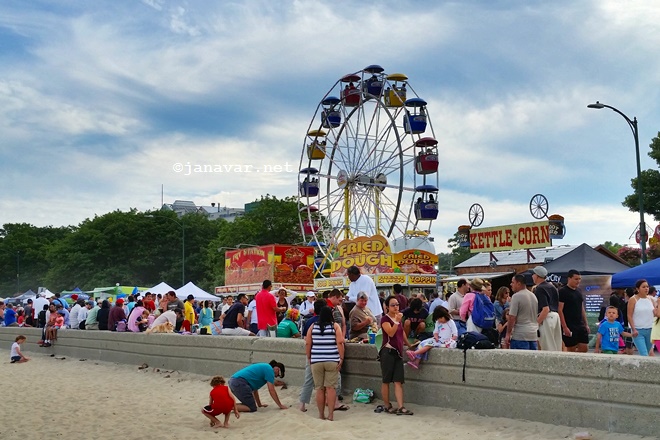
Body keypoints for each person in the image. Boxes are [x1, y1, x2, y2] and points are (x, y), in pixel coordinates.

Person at [305, 306, 344, 421]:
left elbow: (308, 343)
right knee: (331, 388)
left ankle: (321, 415)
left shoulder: (313, 327)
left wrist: (309, 357)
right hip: (332, 360)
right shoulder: (335, 326)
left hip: (316, 361)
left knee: (319, 389)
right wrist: (341, 358)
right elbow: (340, 343)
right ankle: (331, 415)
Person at [379, 295, 413, 416]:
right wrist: (397, 321)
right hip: (388, 351)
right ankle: (387, 405)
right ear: (387, 307)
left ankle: (401, 406)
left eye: (397, 304)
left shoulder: (398, 318)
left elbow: (401, 332)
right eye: (393, 305)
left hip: (398, 352)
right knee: (386, 380)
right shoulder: (385, 319)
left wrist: (408, 344)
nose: (396, 307)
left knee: (398, 380)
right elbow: (391, 333)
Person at [558, 270, 590, 353]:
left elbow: (582, 308)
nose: (578, 281)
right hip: (569, 324)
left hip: (580, 324)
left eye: (579, 279)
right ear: (569, 278)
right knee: (571, 348)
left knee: (584, 347)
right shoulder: (563, 291)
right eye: (576, 279)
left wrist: (586, 324)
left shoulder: (579, 291)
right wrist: (564, 327)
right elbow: (560, 310)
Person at [532, 266, 562, 351]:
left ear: (537, 275)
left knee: (547, 346)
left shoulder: (540, 289)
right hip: (556, 316)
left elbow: (545, 309)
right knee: (556, 344)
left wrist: (536, 323)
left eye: (533, 274)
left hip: (547, 317)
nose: (532, 276)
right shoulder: (552, 287)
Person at [505, 274, 539, 350]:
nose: (511, 284)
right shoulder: (533, 296)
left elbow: (512, 317)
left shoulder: (516, 296)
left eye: (513, 282)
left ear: (519, 283)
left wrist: (508, 334)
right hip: (533, 334)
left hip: (520, 334)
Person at [627, 279, 655, 356]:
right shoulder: (633, 299)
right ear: (637, 289)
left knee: (649, 352)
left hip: (650, 329)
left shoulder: (651, 299)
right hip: (638, 330)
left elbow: (655, 313)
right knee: (644, 354)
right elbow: (629, 315)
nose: (646, 288)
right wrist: (633, 329)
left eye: (647, 287)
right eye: (643, 287)